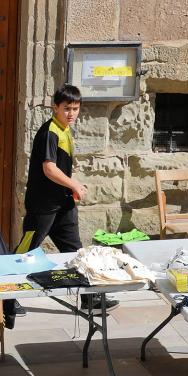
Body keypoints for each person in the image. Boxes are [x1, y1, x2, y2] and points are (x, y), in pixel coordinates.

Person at [21, 85, 119, 312]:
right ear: (55, 107)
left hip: (63, 204)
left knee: (76, 251)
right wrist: (74, 183)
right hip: (42, 206)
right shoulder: (50, 132)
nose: (71, 113)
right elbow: (49, 169)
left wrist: (71, 188)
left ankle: (89, 299)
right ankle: (6, 301)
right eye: (66, 108)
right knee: (25, 252)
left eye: (75, 108)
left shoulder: (65, 129)